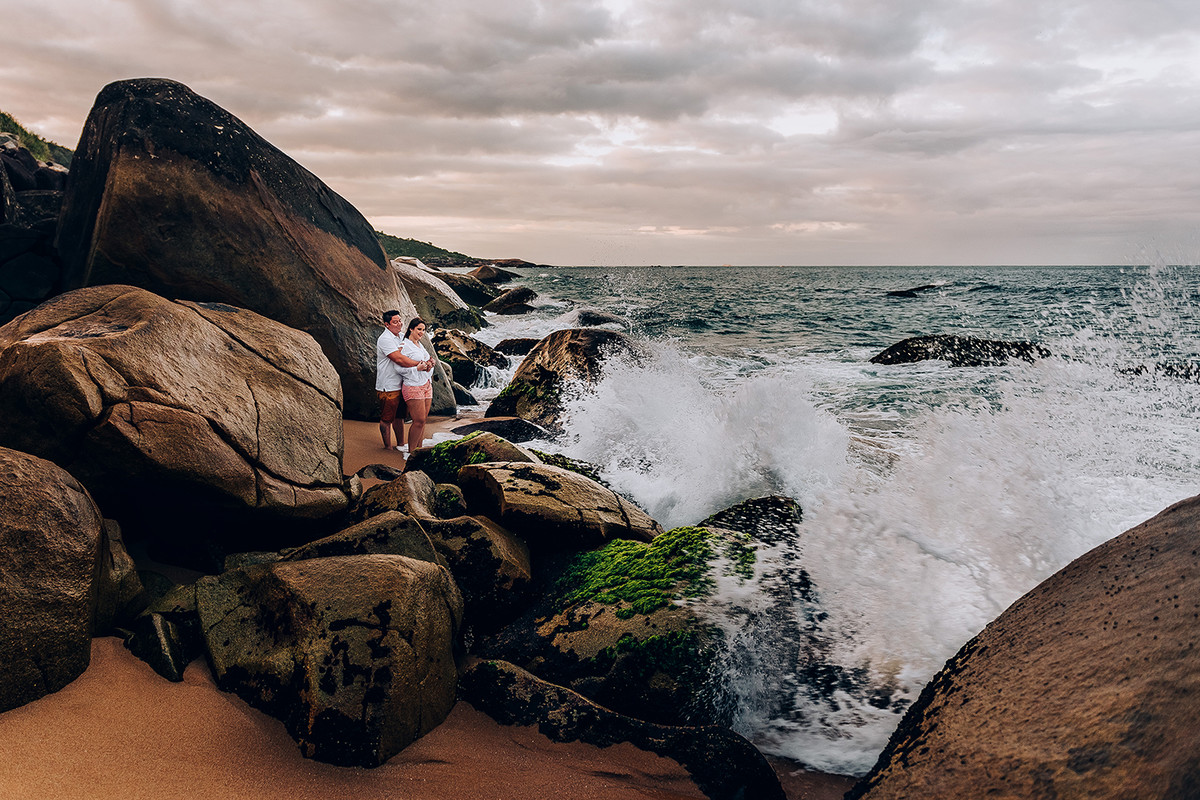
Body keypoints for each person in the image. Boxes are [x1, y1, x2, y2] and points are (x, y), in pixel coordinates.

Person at [398, 317, 437, 455]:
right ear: (411, 329)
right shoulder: (404, 345)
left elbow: (426, 361)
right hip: (413, 385)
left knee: (423, 421)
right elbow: (398, 369)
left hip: (426, 385)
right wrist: (417, 369)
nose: (422, 332)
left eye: (424, 330)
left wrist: (431, 363)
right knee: (418, 421)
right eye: (419, 329)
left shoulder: (420, 345)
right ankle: (411, 453)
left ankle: (418, 452)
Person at [375, 310, 407, 450]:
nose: (399, 324)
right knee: (386, 418)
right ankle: (387, 447)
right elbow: (398, 359)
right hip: (388, 385)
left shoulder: (402, 336)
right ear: (387, 324)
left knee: (399, 417)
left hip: (401, 383)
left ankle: (401, 444)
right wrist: (418, 365)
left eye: (399, 321)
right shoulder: (384, 339)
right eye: (395, 322)